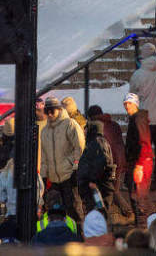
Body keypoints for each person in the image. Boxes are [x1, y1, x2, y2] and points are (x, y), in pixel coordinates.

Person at [128, 42, 156, 191]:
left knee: (144, 151)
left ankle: (142, 179)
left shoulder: (138, 74)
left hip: (145, 119)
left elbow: (133, 94)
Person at [40, 96, 86, 224]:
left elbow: (79, 147)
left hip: (69, 176)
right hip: (54, 180)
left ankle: (79, 238)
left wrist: (74, 166)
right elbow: (44, 158)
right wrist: (44, 177)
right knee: (58, 213)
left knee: (74, 211)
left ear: (59, 110)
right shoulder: (45, 131)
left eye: (52, 111)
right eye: (46, 111)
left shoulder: (69, 124)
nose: (49, 114)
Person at [123, 92, 153, 221]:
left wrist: (140, 164)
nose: (127, 106)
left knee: (140, 195)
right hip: (137, 161)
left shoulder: (138, 119)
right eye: (125, 103)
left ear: (135, 104)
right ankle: (140, 222)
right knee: (136, 194)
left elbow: (143, 141)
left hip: (141, 162)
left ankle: (143, 224)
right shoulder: (136, 119)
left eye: (129, 103)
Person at [77, 119, 117, 214]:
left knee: (98, 213)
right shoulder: (94, 142)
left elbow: (102, 162)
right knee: (96, 212)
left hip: (98, 188)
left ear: (92, 129)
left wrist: (93, 180)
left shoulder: (98, 142)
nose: (84, 131)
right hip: (95, 186)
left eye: (86, 128)